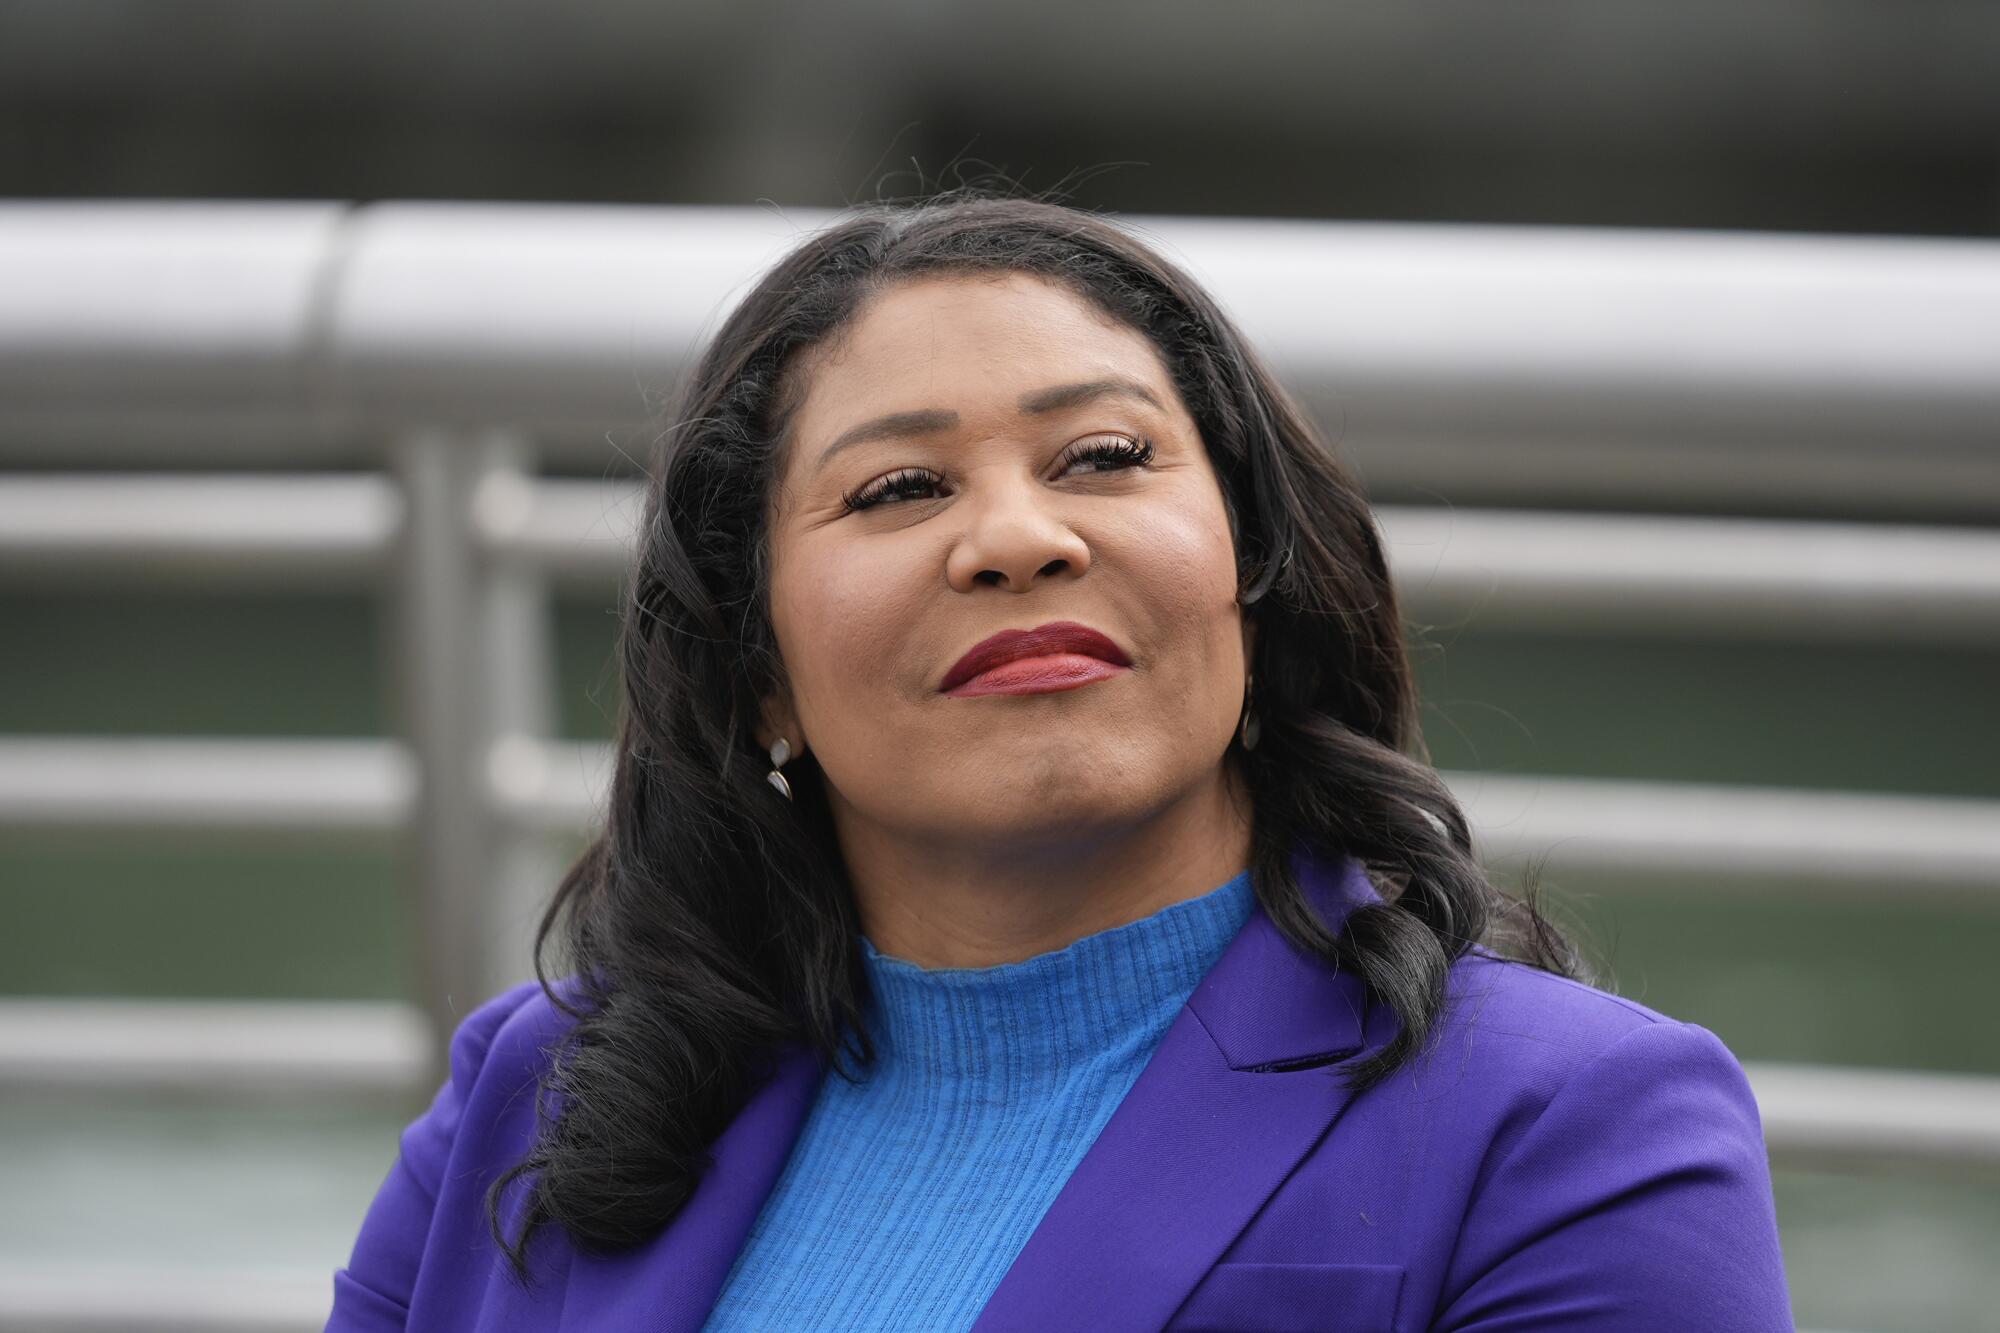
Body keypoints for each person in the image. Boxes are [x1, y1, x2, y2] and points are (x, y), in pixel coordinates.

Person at [327, 192, 1794, 1331]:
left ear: (1255, 585)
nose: (1021, 536)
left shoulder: (1567, 1133)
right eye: (900, 487)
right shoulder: (537, 1093)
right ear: (757, 673)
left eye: (1103, 456)